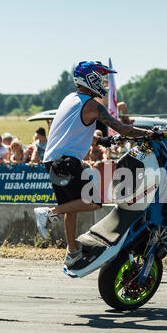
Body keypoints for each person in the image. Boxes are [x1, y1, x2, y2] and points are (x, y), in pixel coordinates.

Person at [34, 61, 152, 275]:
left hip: (53, 161)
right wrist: (150, 134)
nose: (103, 82)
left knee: (73, 205)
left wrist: (99, 140)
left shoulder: (70, 99)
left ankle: (72, 253)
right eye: (99, 77)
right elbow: (122, 128)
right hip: (67, 162)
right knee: (93, 202)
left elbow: (74, 130)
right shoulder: (93, 105)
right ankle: (49, 212)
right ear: (89, 79)